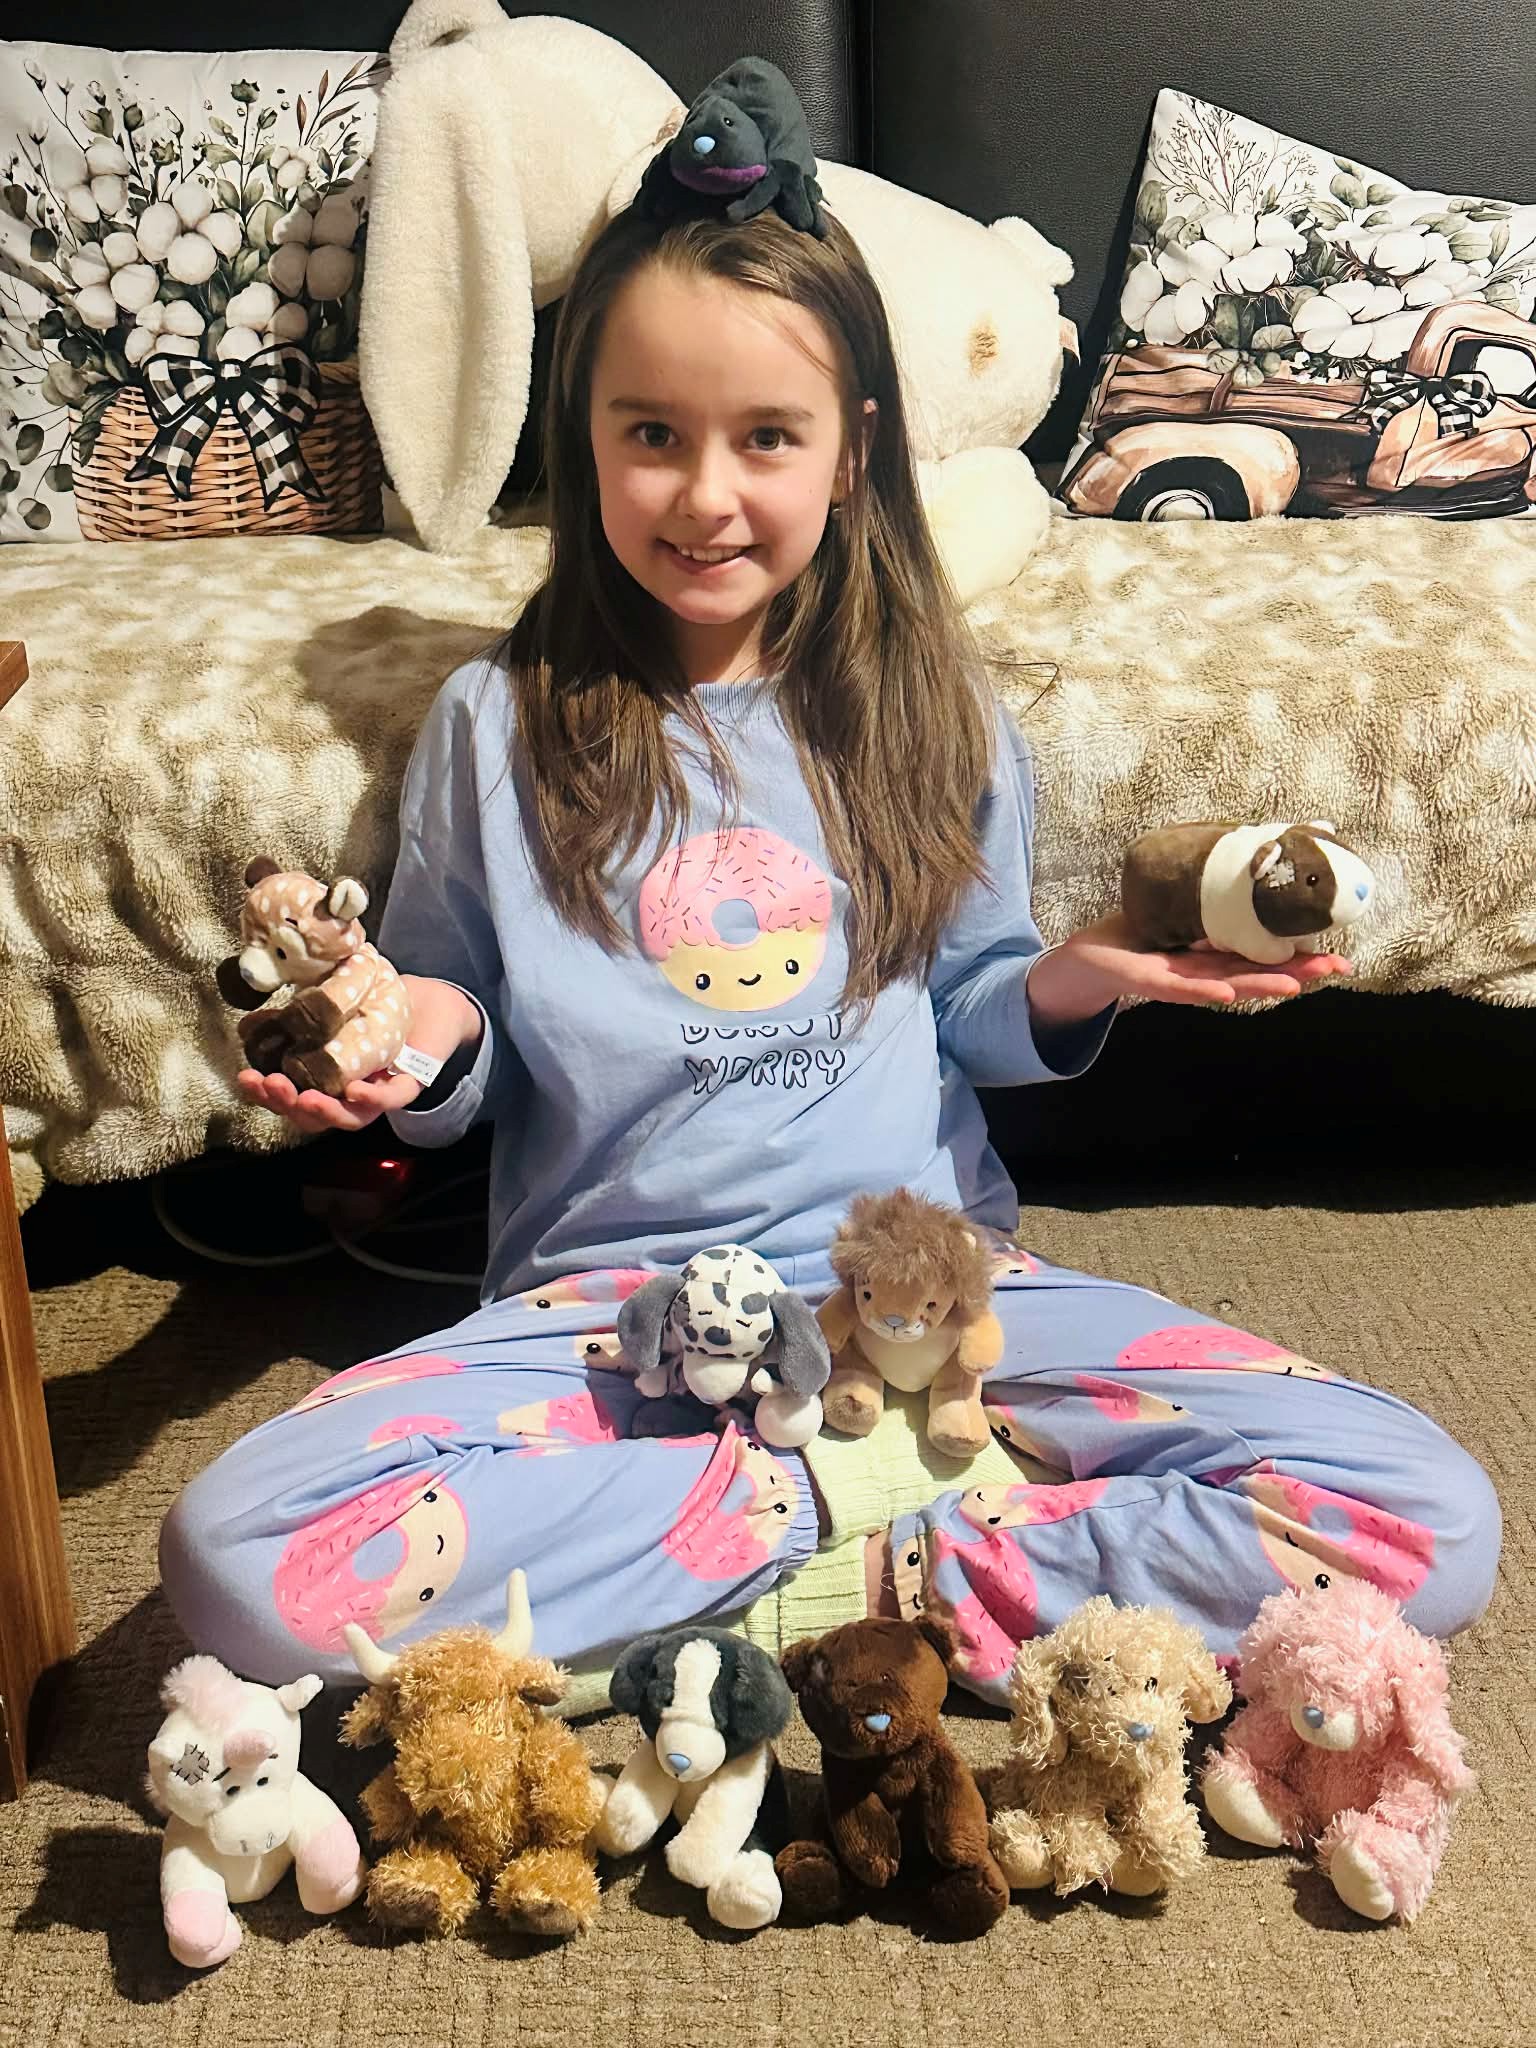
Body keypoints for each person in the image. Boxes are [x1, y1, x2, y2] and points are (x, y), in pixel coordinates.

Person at [160, 117, 1498, 1707]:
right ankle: (828, 1525)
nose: (705, 495)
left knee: (1430, 1518)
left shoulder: (935, 710)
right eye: (652, 434)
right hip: (614, 1318)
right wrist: (402, 1045)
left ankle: (862, 1574)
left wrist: (1080, 976)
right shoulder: (492, 724)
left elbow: (976, 1007)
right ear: (582, 436)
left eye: (766, 439)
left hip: (931, 1297)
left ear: (852, 451)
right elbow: (473, 1036)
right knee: (234, 1555)